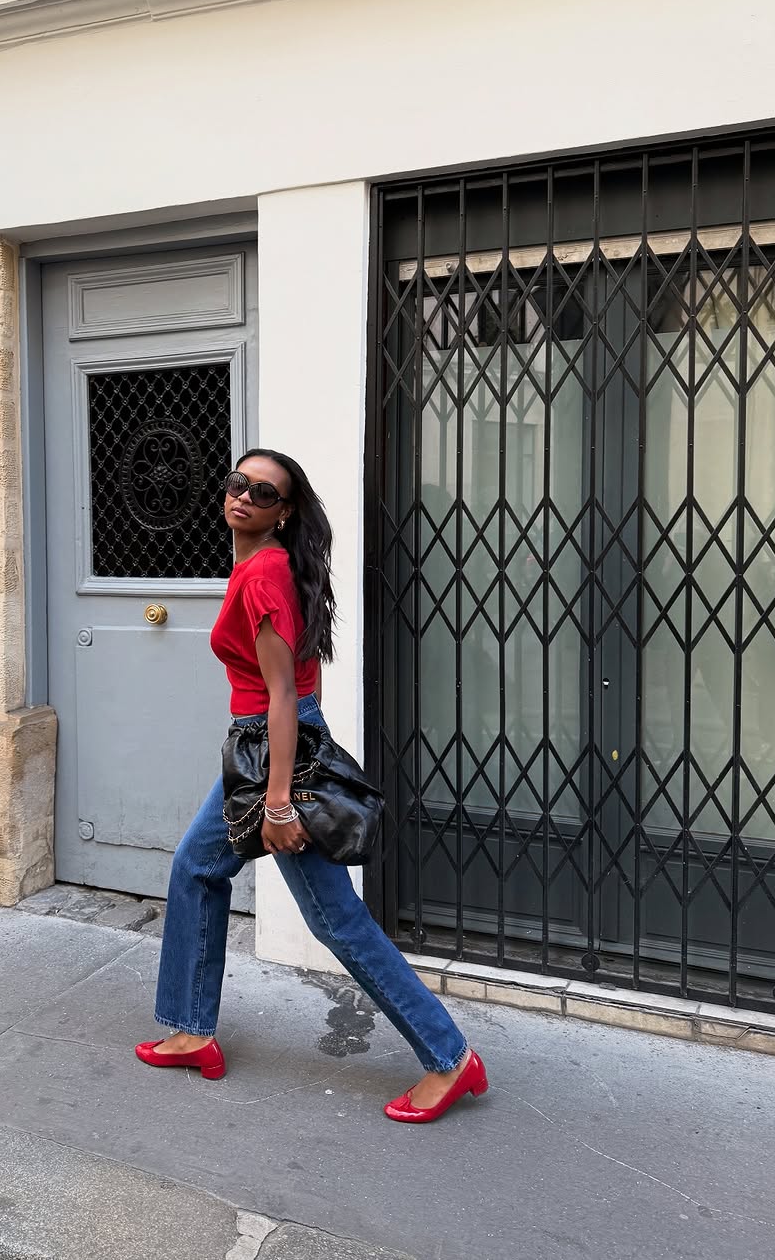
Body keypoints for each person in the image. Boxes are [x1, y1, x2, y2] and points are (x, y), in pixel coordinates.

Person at [135, 449, 487, 1124]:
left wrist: (279, 801)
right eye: (237, 483)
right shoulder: (267, 565)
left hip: (274, 751)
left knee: (334, 919)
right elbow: (302, 682)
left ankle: (449, 1057)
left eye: (263, 493)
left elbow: (283, 697)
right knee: (196, 868)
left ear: (283, 511)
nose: (244, 496)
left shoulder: (264, 575)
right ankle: (190, 1029)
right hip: (264, 746)